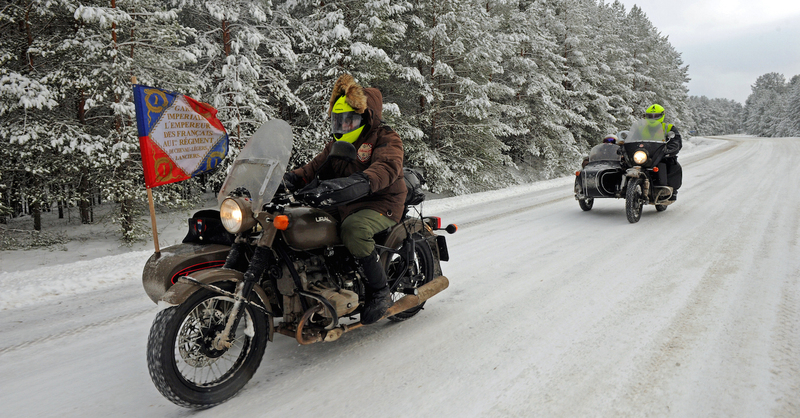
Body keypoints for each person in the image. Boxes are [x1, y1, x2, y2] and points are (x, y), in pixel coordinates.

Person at [281, 74, 407, 324]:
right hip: (345, 200)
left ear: (365, 117)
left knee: (354, 229)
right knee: (304, 220)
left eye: (348, 120)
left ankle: (380, 291)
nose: (342, 127)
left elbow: (387, 166)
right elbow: (311, 170)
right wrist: (286, 180)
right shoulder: (334, 146)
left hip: (381, 201)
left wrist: (363, 181)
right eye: (337, 121)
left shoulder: (385, 137)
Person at [644, 104, 682, 201]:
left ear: (662, 115)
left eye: (656, 116)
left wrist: (669, 149)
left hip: (661, 155)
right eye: (650, 116)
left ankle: (670, 190)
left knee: (670, 164)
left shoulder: (668, 128)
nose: (653, 119)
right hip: (643, 154)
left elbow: (676, 141)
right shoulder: (641, 128)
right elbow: (631, 137)